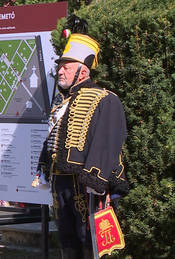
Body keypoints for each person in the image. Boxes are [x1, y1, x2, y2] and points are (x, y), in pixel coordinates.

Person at [36, 18, 129, 259]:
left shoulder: (105, 98)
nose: (60, 71)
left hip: (85, 183)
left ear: (82, 70)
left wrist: (95, 180)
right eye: (61, 66)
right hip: (61, 181)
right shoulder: (61, 102)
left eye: (66, 66)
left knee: (90, 240)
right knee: (67, 238)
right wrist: (44, 166)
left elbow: (107, 141)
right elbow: (52, 138)